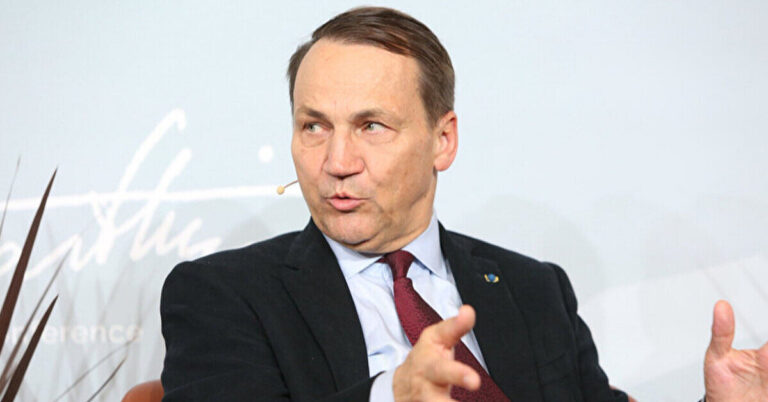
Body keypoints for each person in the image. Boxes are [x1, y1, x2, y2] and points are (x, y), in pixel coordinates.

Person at [160, 6, 768, 401]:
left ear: (443, 140)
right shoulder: (221, 294)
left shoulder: (534, 290)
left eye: (372, 126)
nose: (337, 160)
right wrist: (394, 395)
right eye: (314, 126)